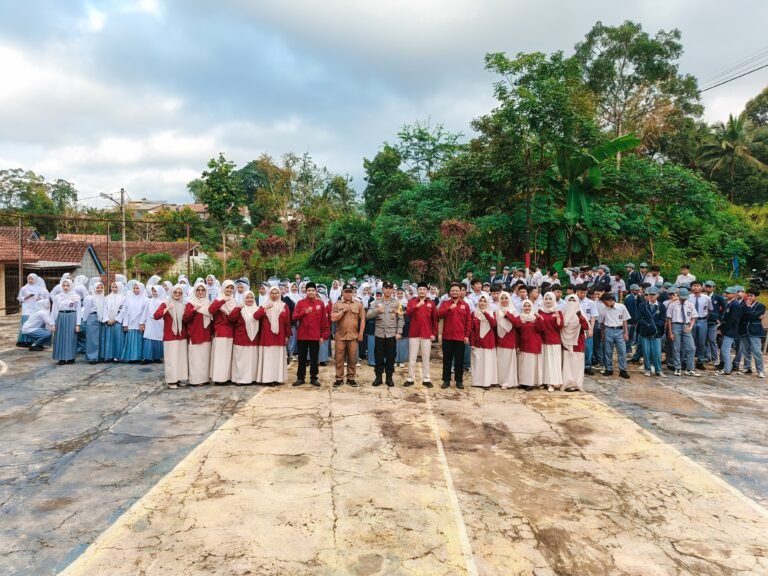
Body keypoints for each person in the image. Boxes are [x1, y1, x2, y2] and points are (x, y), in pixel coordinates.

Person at [292, 282, 330, 387]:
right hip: (302, 335)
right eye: (309, 290)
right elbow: (294, 317)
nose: (311, 292)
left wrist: (324, 335)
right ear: (306, 291)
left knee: (314, 358)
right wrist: (304, 312)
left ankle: (314, 378)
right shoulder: (300, 303)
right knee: (302, 358)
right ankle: (300, 378)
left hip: (315, 336)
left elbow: (324, 321)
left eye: (313, 290)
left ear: (316, 291)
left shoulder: (320, 304)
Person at [367, 281, 404, 387]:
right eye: (386, 288)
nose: (388, 290)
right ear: (382, 290)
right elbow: (367, 315)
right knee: (378, 357)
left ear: (393, 290)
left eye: (390, 288)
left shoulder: (397, 303)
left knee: (391, 357)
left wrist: (399, 332)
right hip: (379, 334)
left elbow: (401, 318)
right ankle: (378, 377)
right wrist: (377, 311)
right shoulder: (376, 302)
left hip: (392, 334)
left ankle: (389, 378)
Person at [255, 286, 292, 385]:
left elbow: (287, 322)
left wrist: (287, 336)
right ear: (269, 294)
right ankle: (267, 379)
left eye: (276, 293)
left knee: (277, 358)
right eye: (272, 293)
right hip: (267, 336)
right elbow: (256, 316)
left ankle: (277, 378)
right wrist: (265, 308)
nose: (274, 295)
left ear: (279, 294)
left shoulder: (284, 306)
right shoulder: (264, 305)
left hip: (280, 336)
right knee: (268, 357)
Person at [153, 284, 188, 389]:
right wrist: (167, 309)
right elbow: (156, 316)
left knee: (181, 359)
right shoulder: (165, 303)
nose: (177, 294)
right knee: (171, 359)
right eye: (175, 292)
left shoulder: (183, 305)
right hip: (170, 335)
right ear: (171, 292)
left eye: (180, 293)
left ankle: (179, 378)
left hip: (182, 336)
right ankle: (171, 380)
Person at [437, 282, 472, 389]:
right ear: (450, 292)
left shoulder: (465, 305)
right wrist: (449, 309)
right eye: (453, 291)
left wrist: (467, 335)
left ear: (461, 292)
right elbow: (438, 314)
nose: (455, 292)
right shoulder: (445, 303)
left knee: (459, 361)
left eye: (457, 290)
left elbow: (468, 321)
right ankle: (446, 380)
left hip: (460, 337)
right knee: (447, 360)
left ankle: (459, 381)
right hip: (447, 337)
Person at [331, 283, 365, 387]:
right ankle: (339, 378)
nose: (348, 294)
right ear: (342, 292)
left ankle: (351, 378)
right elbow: (333, 318)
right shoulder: (337, 304)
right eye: (346, 291)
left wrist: (361, 333)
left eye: (350, 292)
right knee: (339, 358)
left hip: (353, 336)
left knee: (352, 358)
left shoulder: (358, 304)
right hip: (340, 336)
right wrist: (342, 311)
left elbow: (363, 319)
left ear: (353, 293)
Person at [405, 282, 438, 388]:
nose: (422, 291)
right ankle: (410, 378)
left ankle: (426, 378)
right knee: (412, 357)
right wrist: (417, 305)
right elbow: (408, 312)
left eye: (424, 289)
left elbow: (434, 320)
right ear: (417, 291)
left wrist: (434, 333)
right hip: (414, 333)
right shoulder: (412, 301)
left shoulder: (431, 303)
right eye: (420, 289)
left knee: (426, 357)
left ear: (427, 291)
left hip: (427, 334)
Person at [184, 280, 214, 386]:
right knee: (195, 358)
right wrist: (193, 309)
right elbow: (186, 318)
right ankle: (196, 380)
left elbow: (212, 320)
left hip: (206, 334)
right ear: (195, 291)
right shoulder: (190, 303)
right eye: (198, 290)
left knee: (205, 358)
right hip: (195, 333)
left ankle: (204, 379)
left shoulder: (208, 303)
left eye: (203, 290)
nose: (200, 292)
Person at [666, 287, 700, 377]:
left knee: (692, 347)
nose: (683, 299)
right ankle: (677, 367)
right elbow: (669, 319)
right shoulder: (672, 305)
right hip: (676, 325)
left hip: (686, 326)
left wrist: (691, 327)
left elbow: (694, 317)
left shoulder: (690, 304)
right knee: (676, 348)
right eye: (682, 297)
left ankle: (689, 368)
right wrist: (670, 332)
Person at [209, 279, 237, 385]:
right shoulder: (218, 299)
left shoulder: (233, 300)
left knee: (227, 356)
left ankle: (226, 377)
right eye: (227, 287)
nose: (229, 289)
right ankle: (219, 379)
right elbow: (211, 310)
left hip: (230, 331)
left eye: (231, 288)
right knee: (220, 356)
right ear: (223, 288)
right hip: (221, 331)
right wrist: (223, 301)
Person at [230, 290, 260, 385]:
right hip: (241, 339)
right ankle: (240, 379)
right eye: (247, 297)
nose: (250, 299)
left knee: (252, 360)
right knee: (241, 361)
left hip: (253, 339)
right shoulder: (240, 309)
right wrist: (238, 308)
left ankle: (252, 378)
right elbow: (231, 318)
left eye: (251, 297)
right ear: (243, 299)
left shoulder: (257, 309)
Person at [561, 295, 590, 391]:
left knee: (577, 364)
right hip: (566, 342)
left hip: (578, 342)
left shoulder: (580, 312)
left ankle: (577, 384)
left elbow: (586, 326)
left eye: (574, 300)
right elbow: (560, 326)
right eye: (570, 300)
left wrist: (579, 316)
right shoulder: (563, 312)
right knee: (567, 365)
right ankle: (567, 384)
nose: (572, 302)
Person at [636, 286, 667, 378]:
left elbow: (663, 319)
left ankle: (658, 370)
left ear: (657, 295)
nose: (651, 296)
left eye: (653, 294)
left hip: (657, 332)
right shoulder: (642, 305)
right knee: (646, 352)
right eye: (650, 294)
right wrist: (648, 325)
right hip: (645, 332)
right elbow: (639, 318)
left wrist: (655, 326)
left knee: (657, 352)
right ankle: (647, 369)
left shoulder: (661, 306)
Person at [599, 293, 630, 379]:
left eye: (605, 302)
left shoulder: (621, 307)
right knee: (608, 351)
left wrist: (626, 333)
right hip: (608, 330)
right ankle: (608, 369)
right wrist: (603, 334)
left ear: (610, 300)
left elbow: (625, 321)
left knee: (622, 351)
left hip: (619, 330)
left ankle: (623, 370)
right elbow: (601, 322)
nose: (605, 304)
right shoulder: (604, 309)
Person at [51, 278, 81, 365]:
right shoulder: (58, 297)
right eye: (64, 285)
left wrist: (78, 324)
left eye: (67, 285)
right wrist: (53, 323)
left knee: (71, 337)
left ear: (71, 286)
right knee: (61, 337)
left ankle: (71, 357)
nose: (65, 287)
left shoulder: (76, 297)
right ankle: (61, 358)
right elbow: (54, 310)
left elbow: (78, 311)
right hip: (61, 317)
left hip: (72, 317)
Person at [469, 295, 497, 388]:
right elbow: (471, 329)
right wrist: (472, 343)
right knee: (478, 363)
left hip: (488, 342)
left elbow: (494, 324)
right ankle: (477, 382)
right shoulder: (474, 313)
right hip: (477, 342)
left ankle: (487, 382)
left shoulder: (492, 313)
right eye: (480, 301)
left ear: (487, 303)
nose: (482, 303)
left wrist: (486, 314)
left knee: (488, 363)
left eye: (484, 301)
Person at [538, 292, 564, 391]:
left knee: (554, 362)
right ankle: (545, 381)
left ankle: (553, 383)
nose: (548, 301)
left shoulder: (558, 312)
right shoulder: (540, 312)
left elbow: (560, 326)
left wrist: (557, 318)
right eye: (546, 298)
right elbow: (539, 326)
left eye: (550, 299)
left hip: (554, 341)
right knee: (545, 362)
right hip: (543, 340)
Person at [495, 291, 521, 389]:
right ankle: (500, 381)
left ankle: (508, 382)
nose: (504, 300)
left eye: (506, 298)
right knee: (501, 362)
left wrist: (508, 315)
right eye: (502, 298)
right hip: (499, 339)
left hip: (510, 339)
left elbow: (518, 324)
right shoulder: (497, 311)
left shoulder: (513, 310)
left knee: (509, 362)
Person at [738, 288, 765, 378]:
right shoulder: (743, 305)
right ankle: (747, 367)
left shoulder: (761, 306)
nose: (749, 297)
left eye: (751, 296)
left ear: (756, 297)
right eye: (748, 295)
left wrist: (749, 308)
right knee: (746, 350)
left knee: (757, 351)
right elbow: (741, 316)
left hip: (755, 331)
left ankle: (760, 370)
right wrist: (749, 310)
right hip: (744, 330)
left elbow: (753, 316)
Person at [517, 299, 543, 390]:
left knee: (531, 365)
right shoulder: (519, 317)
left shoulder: (535, 317)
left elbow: (541, 329)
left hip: (533, 344)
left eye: (529, 306)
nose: (527, 308)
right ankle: (523, 382)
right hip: (523, 344)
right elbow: (517, 331)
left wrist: (539, 318)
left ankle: (530, 383)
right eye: (525, 306)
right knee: (522, 364)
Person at [16, 273, 48, 347]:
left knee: (34, 324)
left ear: (35, 279)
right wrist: (26, 297)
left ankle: (33, 340)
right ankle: (24, 341)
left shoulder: (40, 288)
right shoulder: (24, 288)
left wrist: (39, 298)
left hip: (36, 308)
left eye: (32, 279)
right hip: (27, 308)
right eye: (29, 279)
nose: (30, 280)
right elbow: (19, 298)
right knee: (26, 324)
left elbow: (43, 298)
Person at [118, 281, 147, 363]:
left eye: (137, 288)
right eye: (134, 288)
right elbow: (126, 313)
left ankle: (139, 357)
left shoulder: (145, 300)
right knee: (131, 341)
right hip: (131, 323)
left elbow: (145, 313)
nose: (135, 290)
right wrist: (125, 324)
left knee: (139, 341)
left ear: (141, 289)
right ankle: (132, 357)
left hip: (140, 324)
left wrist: (143, 323)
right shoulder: (129, 299)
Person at [81, 278, 105, 365]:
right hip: (92, 317)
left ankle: (99, 356)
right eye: (97, 287)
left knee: (100, 338)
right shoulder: (90, 298)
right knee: (92, 339)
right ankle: (92, 357)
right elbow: (86, 310)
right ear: (94, 288)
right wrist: (84, 320)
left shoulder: (103, 298)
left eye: (101, 287)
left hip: (101, 319)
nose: (99, 289)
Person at [689, 280, 712, 370]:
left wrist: (704, 318)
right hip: (691, 321)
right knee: (691, 342)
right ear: (691, 287)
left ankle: (700, 361)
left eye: (698, 285)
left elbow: (709, 309)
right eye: (694, 286)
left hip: (702, 321)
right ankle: (689, 361)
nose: (696, 287)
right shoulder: (688, 297)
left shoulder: (707, 298)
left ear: (702, 287)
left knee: (702, 342)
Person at [102, 281, 125, 363]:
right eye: (113, 287)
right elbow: (104, 309)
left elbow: (123, 310)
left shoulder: (123, 298)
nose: (114, 288)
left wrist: (115, 320)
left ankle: (116, 356)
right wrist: (107, 319)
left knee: (117, 338)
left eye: (116, 287)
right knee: (109, 339)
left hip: (117, 321)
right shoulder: (107, 297)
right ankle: (108, 355)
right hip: (108, 322)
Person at [142, 284, 166, 365]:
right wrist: (142, 322)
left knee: (158, 338)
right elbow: (145, 312)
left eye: (155, 291)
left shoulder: (163, 302)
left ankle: (157, 357)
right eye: (153, 291)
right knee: (149, 338)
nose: (154, 293)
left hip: (159, 322)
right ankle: (148, 358)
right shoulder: (149, 301)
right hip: (150, 323)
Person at [575, 284, 596, 375]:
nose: (583, 294)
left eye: (584, 293)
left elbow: (593, 317)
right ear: (577, 292)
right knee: (576, 347)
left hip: (587, 325)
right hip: (575, 326)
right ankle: (577, 366)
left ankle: (587, 366)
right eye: (581, 292)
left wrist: (591, 329)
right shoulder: (572, 301)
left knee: (588, 347)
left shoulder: (591, 303)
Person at [704, 281, 725, 366]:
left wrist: (719, 318)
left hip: (713, 321)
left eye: (710, 287)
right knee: (705, 340)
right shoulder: (703, 296)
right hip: (704, 320)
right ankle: (707, 356)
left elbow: (725, 308)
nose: (708, 288)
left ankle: (715, 358)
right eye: (707, 286)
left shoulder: (718, 297)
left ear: (713, 288)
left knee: (712, 339)